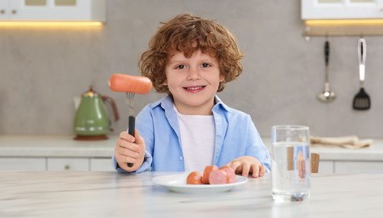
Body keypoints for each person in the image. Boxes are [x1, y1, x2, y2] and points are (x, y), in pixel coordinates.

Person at [113, 13, 271, 178]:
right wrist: (128, 159)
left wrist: (252, 163)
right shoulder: (151, 118)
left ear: (222, 72)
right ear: (163, 75)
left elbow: (264, 170)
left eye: (205, 65)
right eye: (181, 66)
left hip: (225, 204)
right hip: (165, 204)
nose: (193, 76)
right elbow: (129, 165)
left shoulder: (241, 123)